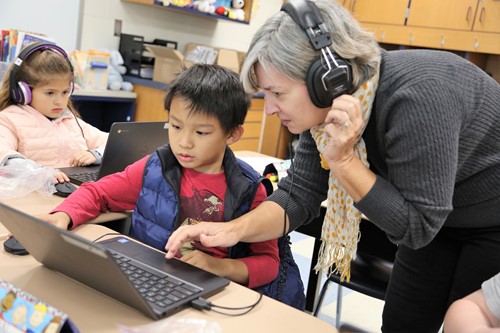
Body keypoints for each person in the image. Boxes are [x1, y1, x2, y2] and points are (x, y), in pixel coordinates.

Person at [164, 0, 500, 331]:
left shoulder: (419, 96)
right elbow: (299, 196)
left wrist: (344, 161)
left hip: (491, 221)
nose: (269, 109)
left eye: (277, 93)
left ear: (325, 79)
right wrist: (229, 230)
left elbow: (417, 226)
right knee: (401, 324)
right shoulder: (327, 113)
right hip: (434, 221)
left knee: (463, 321)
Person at [39, 64, 305, 310]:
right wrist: (63, 216)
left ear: (232, 134)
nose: (184, 142)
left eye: (201, 133)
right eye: (176, 126)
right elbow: (99, 192)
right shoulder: (156, 166)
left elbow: (268, 264)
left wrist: (219, 266)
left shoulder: (247, 189)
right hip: (149, 281)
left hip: (213, 297)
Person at [0, 42, 108, 184]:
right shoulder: (9, 119)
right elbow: (4, 155)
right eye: (50, 93)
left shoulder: (70, 120)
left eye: (64, 92)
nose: (59, 101)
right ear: (24, 92)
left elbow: (112, 143)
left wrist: (96, 154)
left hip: (74, 192)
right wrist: (38, 173)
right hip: (35, 195)